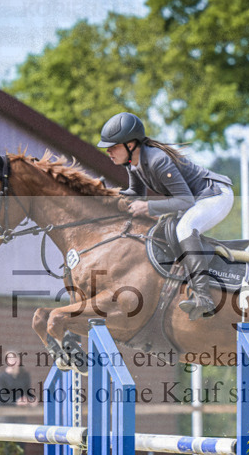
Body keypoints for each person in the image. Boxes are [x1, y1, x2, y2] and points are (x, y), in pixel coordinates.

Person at [97, 112, 234, 320]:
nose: (108, 151)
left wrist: (148, 207)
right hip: (197, 198)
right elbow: (136, 194)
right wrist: (106, 197)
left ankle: (204, 297)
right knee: (167, 229)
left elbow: (185, 201)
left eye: (113, 146)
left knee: (184, 229)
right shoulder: (133, 163)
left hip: (215, 195)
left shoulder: (157, 160)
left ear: (130, 145)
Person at [0, 351, 36, 455]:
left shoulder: (25, 375)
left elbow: (28, 392)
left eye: (15, 358)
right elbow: (1, 397)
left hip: (20, 416)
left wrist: (31, 400)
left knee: (20, 448)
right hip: (6, 416)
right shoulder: (2, 377)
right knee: (7, 447)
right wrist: (15, 402)